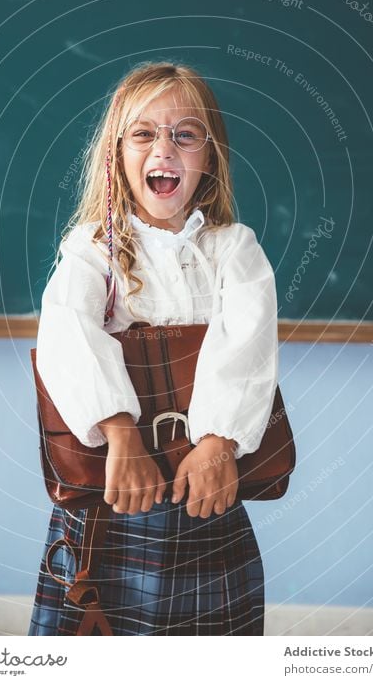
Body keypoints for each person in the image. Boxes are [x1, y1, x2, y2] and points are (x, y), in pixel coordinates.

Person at [28, 60, 278, 636]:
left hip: (206, 485)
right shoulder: (93, 249)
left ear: (208, 159)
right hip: (115, 491)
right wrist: (121, 434)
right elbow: (68, 337)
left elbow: (247, 342)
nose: (164, 147)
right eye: (144, 133)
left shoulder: (233, 248)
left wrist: (217, 443)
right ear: (117, 154)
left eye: (185, 135)